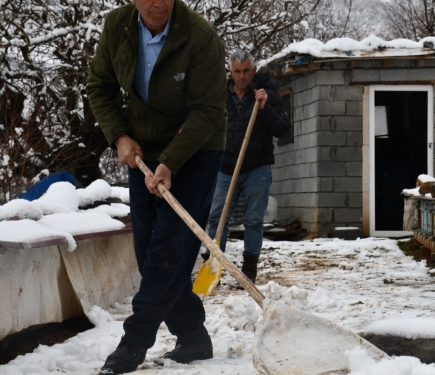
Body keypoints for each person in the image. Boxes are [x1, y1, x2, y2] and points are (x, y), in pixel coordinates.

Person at [86, 0, 226, 373]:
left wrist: (171, 162)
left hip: (195, 149)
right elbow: (99, 85)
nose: (158, 2)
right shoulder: (117, 27)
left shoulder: (199, 36)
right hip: (143, 151)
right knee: (150, 250)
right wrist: (119, 135)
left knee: (168, 250)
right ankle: (193, 337)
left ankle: (134, 343)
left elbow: (210, 110)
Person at [205, 50, 291, 283]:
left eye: (246, 71)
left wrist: (265, 107)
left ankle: (249, 267)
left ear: (253, 70)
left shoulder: (268, 93)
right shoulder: (220, 95)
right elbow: (206, 126)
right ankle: (213, 263)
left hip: (257, 167)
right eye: (237, 71)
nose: (242, 76)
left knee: (253, 220)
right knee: (216, 218)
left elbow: (282, 129)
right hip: (225, 167)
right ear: (230, 72)